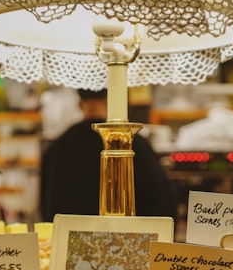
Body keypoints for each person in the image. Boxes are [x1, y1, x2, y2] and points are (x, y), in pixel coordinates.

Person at [39, 89, 177, 221]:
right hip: (127, 239)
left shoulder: (57, 147)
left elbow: (46, 208)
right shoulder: (131, 143)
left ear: (80, 105)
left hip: (68, 241)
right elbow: (162, 203)